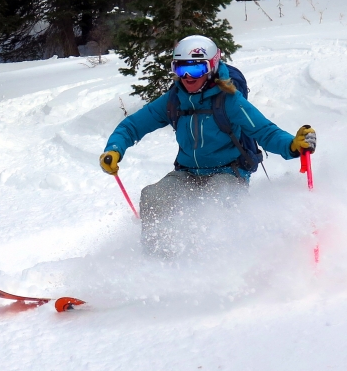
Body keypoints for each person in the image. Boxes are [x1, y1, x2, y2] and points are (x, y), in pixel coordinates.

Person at [99, 35, 316, 252]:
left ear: (211, 67)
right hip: (187, 173)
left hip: (228, 172)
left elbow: (264, 131)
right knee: (153, 198)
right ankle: (158, 262)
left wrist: (292, 146)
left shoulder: (229, 100)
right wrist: (114, 149)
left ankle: (220, 262)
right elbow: (133, 126)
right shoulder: (175, 99)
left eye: (195, 70)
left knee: (216, 202)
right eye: (180, 68)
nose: (187, 77)